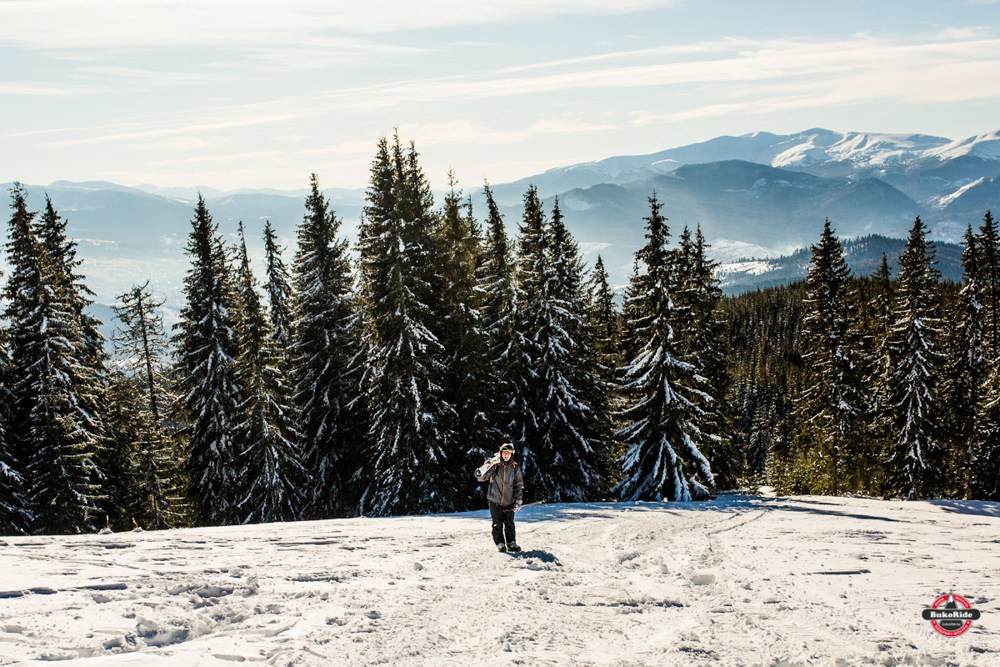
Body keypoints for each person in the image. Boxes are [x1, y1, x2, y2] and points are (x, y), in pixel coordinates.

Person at [475, 442, 524, 552]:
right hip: (495, 500)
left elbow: (519, 485)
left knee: (509, 524)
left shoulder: (515, 468)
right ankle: (500, 543)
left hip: (509, 501)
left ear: (511, 454)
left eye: (508, 453)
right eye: (504, 452)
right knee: (497, 523)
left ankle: (511, 543)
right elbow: (482, 478)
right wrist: (484, 468)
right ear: (501, 453)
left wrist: (518, 500)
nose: (506, 455)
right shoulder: (495, 466)